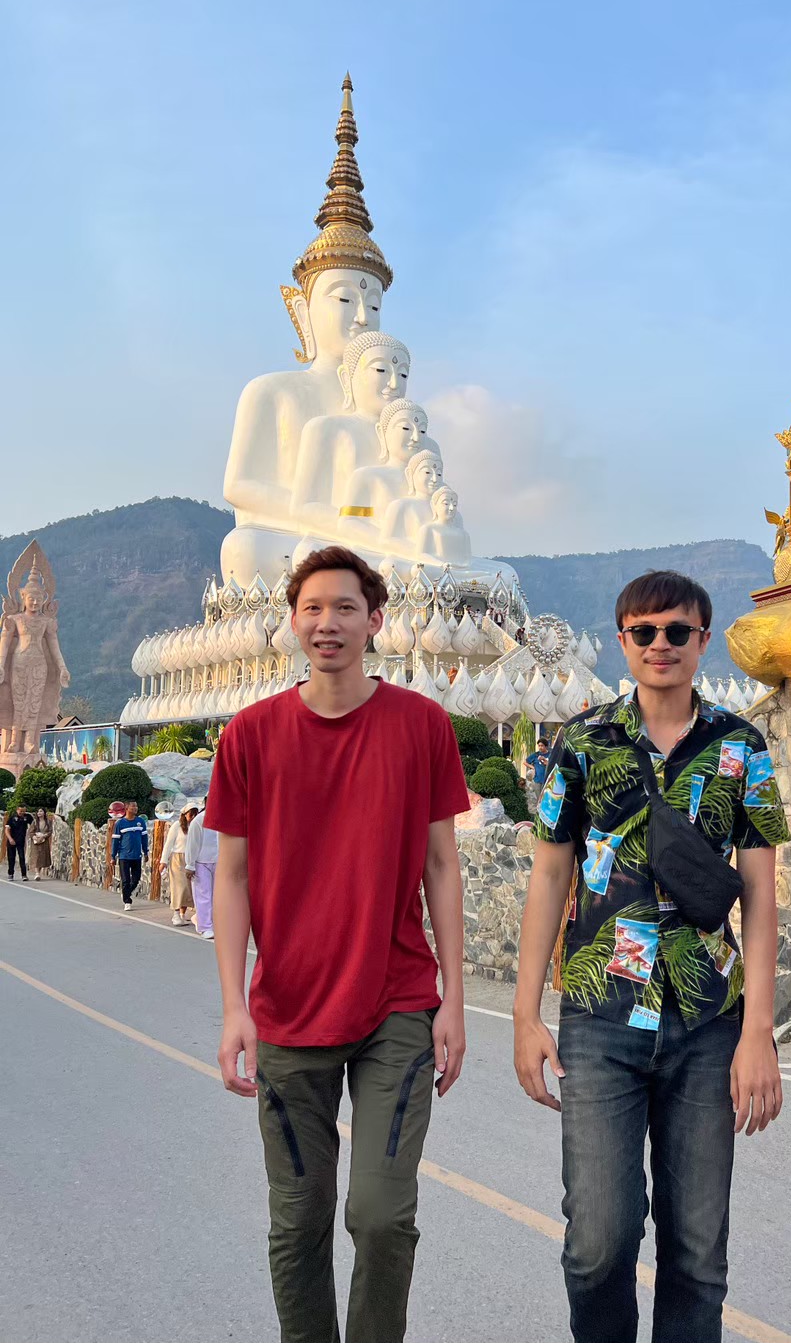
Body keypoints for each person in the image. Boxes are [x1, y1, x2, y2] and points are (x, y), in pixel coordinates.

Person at [513, 570, 789, 1343]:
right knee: (598, 1239)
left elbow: (760, 894)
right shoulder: (582, 742)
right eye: (644, 631)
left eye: (676, 631)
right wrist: (525, 1013)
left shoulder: (739, 747)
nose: (660, 643)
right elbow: (549, 875)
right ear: (622, 640)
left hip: (708, 1021)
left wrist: (758, 1032)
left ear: (702, 639)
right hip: (600, 1016)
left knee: (697, 1252)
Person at [206, 544, 470, 1343]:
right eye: (313, 608)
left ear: (375, 620)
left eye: (345, 607)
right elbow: (231, 876)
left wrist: (454, 999)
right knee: (299, 1218)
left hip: (397, 1001)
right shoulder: (250, 735)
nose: (328, 622)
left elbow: (441, 863)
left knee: (381, 1213)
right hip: (288, 1009)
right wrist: (233, 1006)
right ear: (292, 621)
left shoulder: (420, 724)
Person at [185, 800, 219, 939]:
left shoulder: (223, 818)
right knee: (204, 895)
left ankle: (209, 921)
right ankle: (205, 927)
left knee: (217, 896)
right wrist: (190, 865)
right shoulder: (199, 820)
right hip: (201, 862)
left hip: (218, 861)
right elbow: (192, 843)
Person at [161, 806, 197, 925]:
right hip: (178, 859)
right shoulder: (177, 826)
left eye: (195, 814)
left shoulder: (195, 826)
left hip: (191, 859)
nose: (193, 817)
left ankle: (182, 914)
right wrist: (163, 861)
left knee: (188, 888)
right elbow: (168, 844)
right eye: (191, 814)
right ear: (185, 814)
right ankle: (176, 914)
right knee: (179, 887)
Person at [111, 801, 149, 909]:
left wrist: (146, 852)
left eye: (136, 806)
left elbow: (144, 838)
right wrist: (113, 856)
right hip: (124, 857)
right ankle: (127, 901)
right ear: (127, 808)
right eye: (133, 806)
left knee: (136, 879)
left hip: (137, 856)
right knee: (125, 880)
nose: (136, 808)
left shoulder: (140, 822)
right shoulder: (120, 823)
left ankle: (126, 892)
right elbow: (115, 841)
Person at [6, 805, 32, 881]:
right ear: (17, 810)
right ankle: (10, 874)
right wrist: (10, 839)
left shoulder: (27, 817)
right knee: (11, 858)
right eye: (21, 811)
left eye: (24, 811)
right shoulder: (12, 818)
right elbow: (7, 830)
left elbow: (34, 825)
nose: (22, 812)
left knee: (22, 858)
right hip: (12, 841)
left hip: (21, 841)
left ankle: (24, 875)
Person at [30, 807, 53, 879]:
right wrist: (34, 837)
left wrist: (44, 836)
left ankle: (38, 873)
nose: (39, 813)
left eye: (41, 811)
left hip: (44, 841)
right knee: (36, 857)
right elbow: (31, 831)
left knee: (42, 858)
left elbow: (50, 831)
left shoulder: (48, 822)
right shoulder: (34, 822)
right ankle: (37, 873)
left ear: (44, 813)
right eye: (38, 811)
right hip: (36, 842)